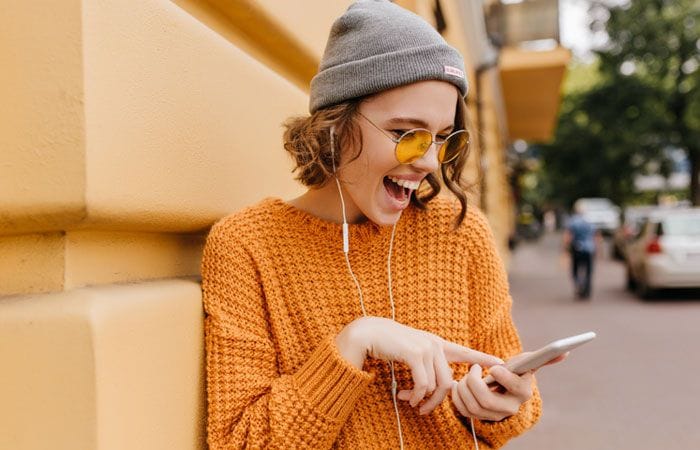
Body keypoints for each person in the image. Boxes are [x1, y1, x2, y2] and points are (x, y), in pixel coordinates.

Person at [202, 1, 557, 448]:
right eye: (407, 134)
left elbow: (511, 408)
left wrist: (505, 403)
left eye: (444, 138)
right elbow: (241, 442)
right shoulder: (247, 245)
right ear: (337, 123)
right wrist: (354, 342)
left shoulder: (461, 232)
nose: (429, 162)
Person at [563, 205, 599, 299]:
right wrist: (597, 249)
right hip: (589, 249)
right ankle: (587, 289)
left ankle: (579, 284)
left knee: (575, 269)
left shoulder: (572, 221)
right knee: (589, 271)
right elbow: (596, 236)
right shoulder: (590, 222)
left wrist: (565, 248)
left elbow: (568, 236)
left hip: (577, 248)